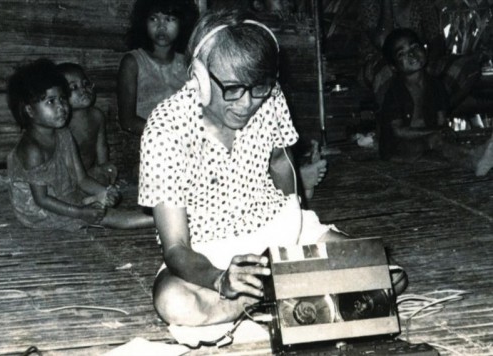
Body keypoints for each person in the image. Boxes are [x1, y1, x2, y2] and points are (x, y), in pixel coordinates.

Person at [138, 9, 403, 328]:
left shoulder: (270, 95)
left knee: (389, 273)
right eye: (233, 89)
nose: (248, 103)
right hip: (209, 253)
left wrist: (298, 222)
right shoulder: (165, 129)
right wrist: (220, 280)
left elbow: (280, 161)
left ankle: (276, 292)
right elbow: (177, 247)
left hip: (278, 233)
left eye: (259, 88)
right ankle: (274, 296)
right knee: (174, 302)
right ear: (199, 77)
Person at [6, 58, 155, 231]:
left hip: (63, 191)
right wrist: (79, 212)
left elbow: (81, 178)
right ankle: (162, 219)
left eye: (62, 98)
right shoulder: (32, 149)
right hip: (40, 209)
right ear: (30, 110)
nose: (61, 106)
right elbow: (42, 199)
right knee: (106, 216)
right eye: (50, 102)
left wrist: (103, 191)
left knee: (101, 189)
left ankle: (92, 204)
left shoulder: (63, 134)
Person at [378, 29, 493, 176]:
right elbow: (399, 131)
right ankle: (474, 158)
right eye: (402, 54)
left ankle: (475, 157)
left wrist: (442, 132)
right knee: (436, 140)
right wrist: (435, 132)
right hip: (398, 149)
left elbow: (441, 122)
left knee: (443, 147)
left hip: (426, 143)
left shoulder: (436, 85)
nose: (412, 55)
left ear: (424, 50)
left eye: (414, 47)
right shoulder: (395, 91)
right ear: (394, 66)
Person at [358, 0, 480, 108]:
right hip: (380, 65)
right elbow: (382, 43)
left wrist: (425, 70)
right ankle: (399, 120)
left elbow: (436, 42)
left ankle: (438, 110)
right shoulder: (370, 3)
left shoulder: (422, 2)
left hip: (416, 63)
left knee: (468, 66)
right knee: (388, 72)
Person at [117, 0, 199, 136]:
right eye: (153, 19)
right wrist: (167, 137)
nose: (161, 26)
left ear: (182, 23)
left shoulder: (188, 64)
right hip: (146, 143)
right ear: (143, 21)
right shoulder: (133, 62)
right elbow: (127, 121)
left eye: (169, 19)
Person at [57, 62, 117, 186]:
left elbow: (101, 147)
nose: (83, 89)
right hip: (65, 175)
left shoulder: (97, 116)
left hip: (88, 173)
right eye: (74, 87)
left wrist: (103, 168)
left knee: (109, 172)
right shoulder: (62, 122)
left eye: (86, 84)